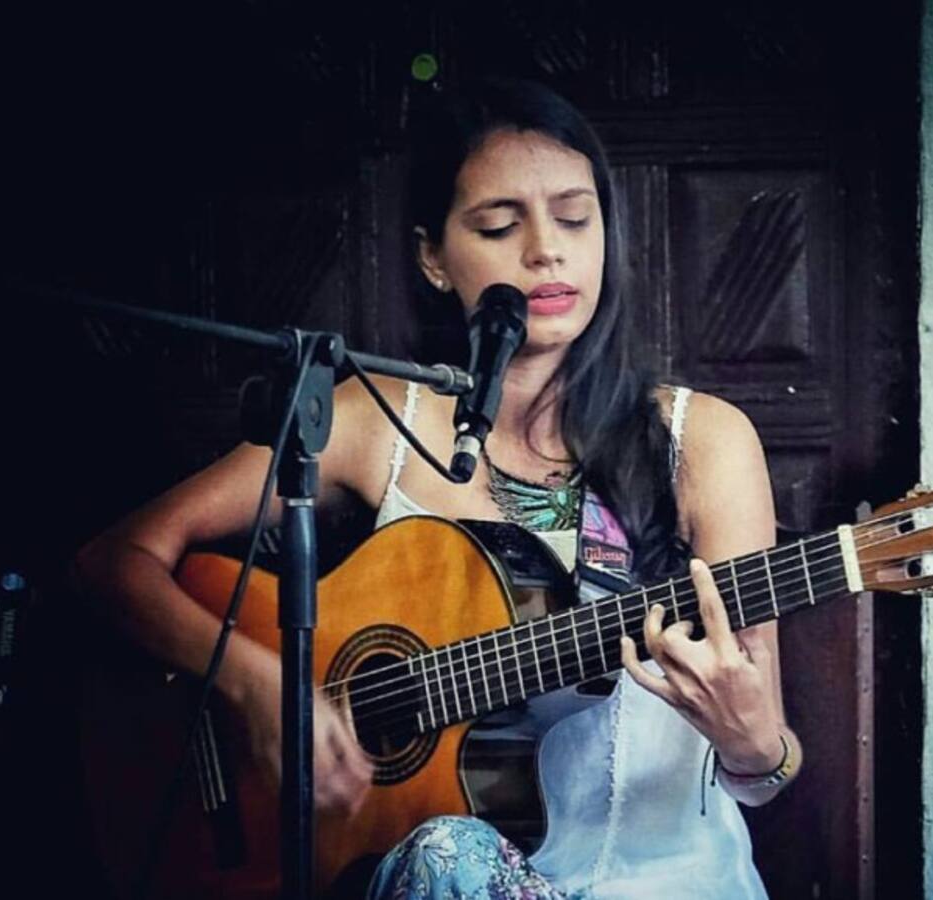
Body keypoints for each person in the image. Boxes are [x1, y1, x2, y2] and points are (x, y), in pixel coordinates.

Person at [76, 78, 802, 899]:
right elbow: (115, 560)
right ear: (432, 256)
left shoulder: (700, 441)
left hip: (667, 881)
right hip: (434, 879)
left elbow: (764, 766)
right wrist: (256, 687)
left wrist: (752, 744)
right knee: (446, 856)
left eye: (574, 218)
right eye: (499, 225)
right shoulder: (374, 418)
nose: (546, 252)